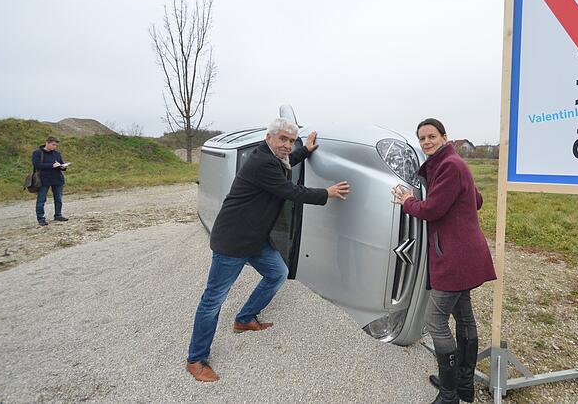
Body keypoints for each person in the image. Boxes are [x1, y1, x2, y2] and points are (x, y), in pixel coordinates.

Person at [186, 118, 351, 383]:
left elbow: (285, 164)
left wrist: (305, 150)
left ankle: (245, 318)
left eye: (290, 140)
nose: (287, 145)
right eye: (282, 139)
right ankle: (196, 359)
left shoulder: (272, 157)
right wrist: (327, 193)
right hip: (234, 240)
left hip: (254, 237)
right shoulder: (262, 162)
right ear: (268, 138)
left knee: (277, 273)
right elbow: (290, 190)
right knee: (213, 300)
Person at [392, 118, 496, 404]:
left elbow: (433, 209)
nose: (426, 142)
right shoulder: (453, 163)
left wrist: (407, 201)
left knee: (435, 320)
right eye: (422, 138)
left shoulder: (449, 166)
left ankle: (449, 394)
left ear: (444, 137)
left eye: (431, 136)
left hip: (455, 257)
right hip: (465, 252)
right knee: (463, 317)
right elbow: (477, 200)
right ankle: (463, 386)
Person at [32, 136, 69, 226]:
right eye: (53, 145)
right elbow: (37, 165)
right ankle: (41, 219)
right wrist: (51, 165)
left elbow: (60, 164)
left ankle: (58, 215)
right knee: (41, 200)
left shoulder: (57, 154)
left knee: (58, 199)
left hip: (57, 179)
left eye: (56, 145)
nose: (54, 147)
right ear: (47, 143)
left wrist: (63, 167)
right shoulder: (37, 153)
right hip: (43, 180)